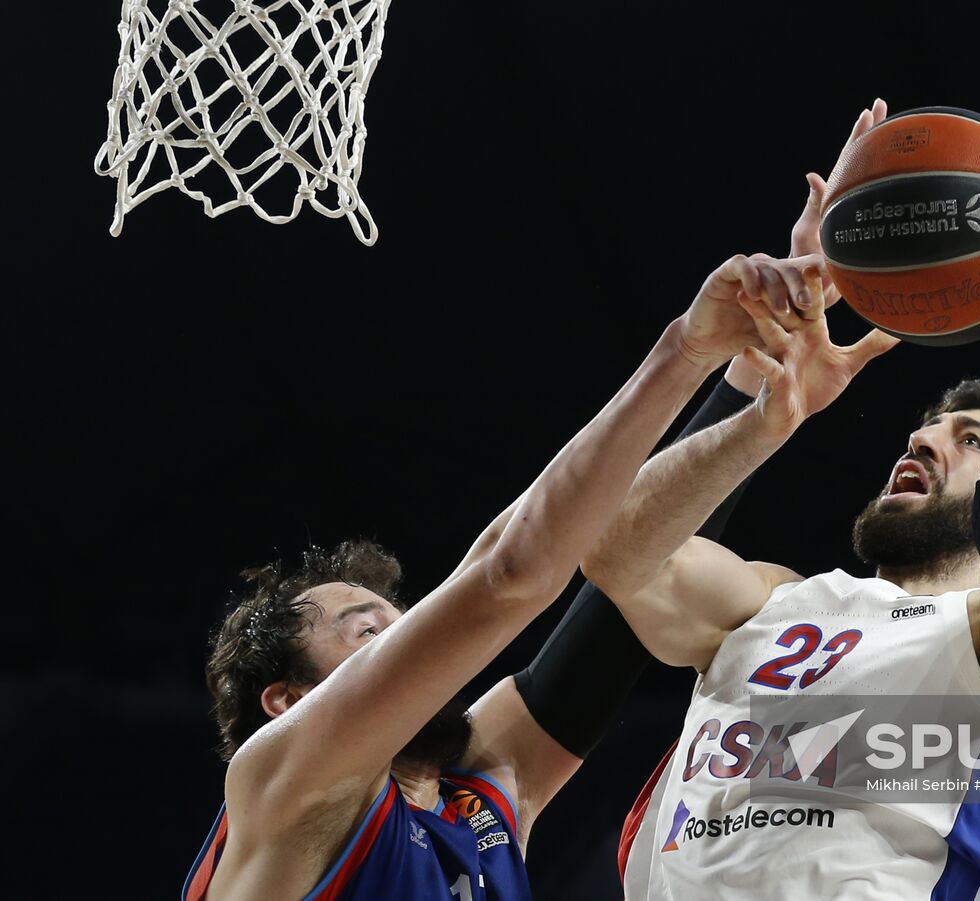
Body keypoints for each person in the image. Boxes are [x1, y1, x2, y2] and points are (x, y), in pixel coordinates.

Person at [181, 102, 899, 901]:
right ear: (289, 699)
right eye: (368, 633)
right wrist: (685, 349)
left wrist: (761, 371)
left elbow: (627, 596)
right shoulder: (280, 786)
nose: (410, 641)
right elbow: (510, 570)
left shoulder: (476, 786)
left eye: (396, 620)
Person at [584, 70, 980, 899]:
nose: (925, 442)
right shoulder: (770, 603)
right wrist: (762, 387)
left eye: (969, 440)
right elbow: (613, 548)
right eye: (924, 430)